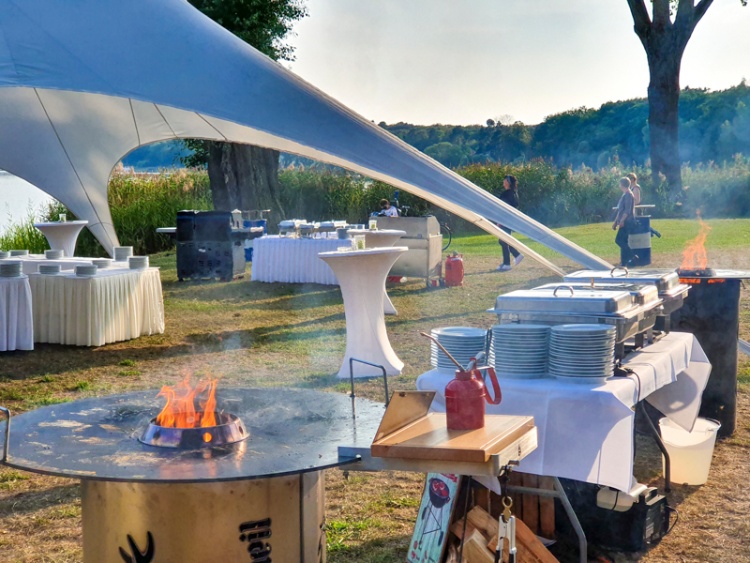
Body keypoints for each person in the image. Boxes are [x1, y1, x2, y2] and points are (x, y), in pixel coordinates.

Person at [496, 175, 524, 272]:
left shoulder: (506, 194)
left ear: (508, 182)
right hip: (510, 220)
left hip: (505, 220)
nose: (503, 181)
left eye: (504, 180)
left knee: (504, 241)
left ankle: (508, 263)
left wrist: (500, 221)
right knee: (504, 240)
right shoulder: (514, 193)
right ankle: (513, 258)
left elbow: (503, 209)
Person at [612, 177, 635, 266]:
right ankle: (624, 262)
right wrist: (615, 222)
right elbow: (620, 210)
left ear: (622, 185)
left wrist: (621, 221)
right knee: (623, 241)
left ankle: (632, 256)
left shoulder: (629, 195)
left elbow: (627, 211)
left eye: (620, 184)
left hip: (627, 221)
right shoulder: (624, 194)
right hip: (624, 221)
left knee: (619, 240)